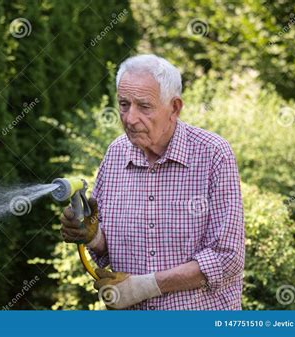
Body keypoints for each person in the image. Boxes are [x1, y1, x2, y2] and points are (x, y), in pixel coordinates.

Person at [60, 54, 245, 310]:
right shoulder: (116, 154)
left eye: (144, 106)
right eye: (124, 104)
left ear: (174, 108)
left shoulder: (213, 154)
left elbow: (227, 258)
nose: (130, 118)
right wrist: (92, 237)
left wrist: (141, 287)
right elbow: (108, 248)